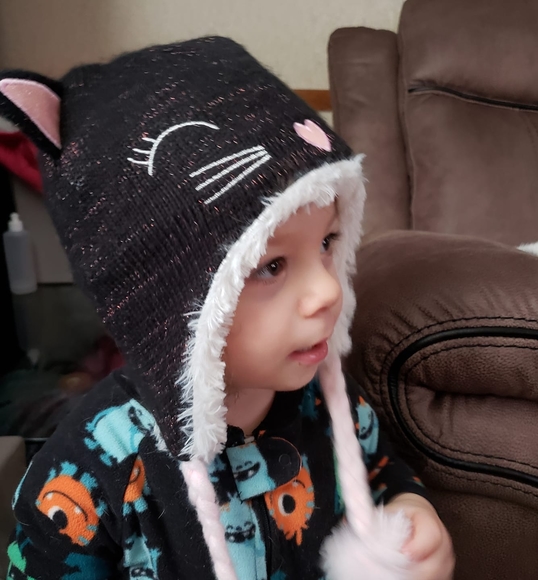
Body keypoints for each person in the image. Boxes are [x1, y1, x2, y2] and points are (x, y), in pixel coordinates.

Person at [1, 37, 454, 580]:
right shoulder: (87, 469)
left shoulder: (331, 406)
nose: (328, 291)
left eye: (327, 243)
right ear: (171, 311)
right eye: (270, 266)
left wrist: (409, 509)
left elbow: (380, 470)